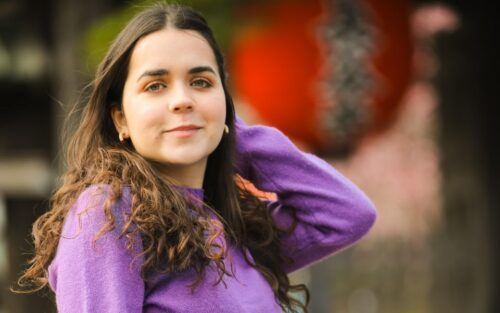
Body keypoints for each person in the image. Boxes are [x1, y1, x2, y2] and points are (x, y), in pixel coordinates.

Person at [13, 3, 377, 313]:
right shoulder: (109, 215)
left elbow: (346, 215)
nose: (182, 100)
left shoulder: (235, 228)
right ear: (120, 118)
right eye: (155, 86)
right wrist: (205, 120)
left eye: (201, 82)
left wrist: (228, 131)